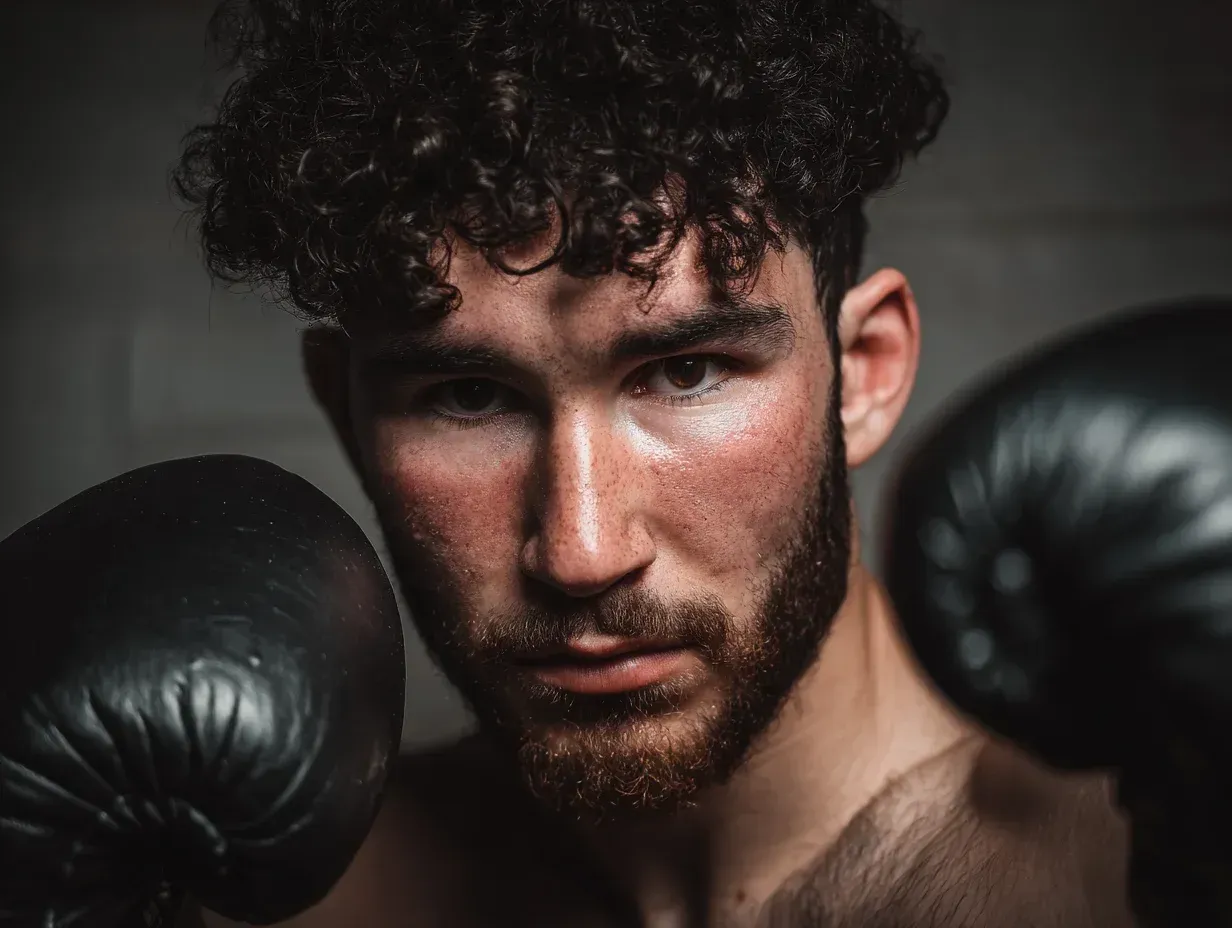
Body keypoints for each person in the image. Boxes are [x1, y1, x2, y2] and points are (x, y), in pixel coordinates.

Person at [169, 0, 1136, 925]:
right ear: (346, 409)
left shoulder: (1139, 875)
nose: (582, 553)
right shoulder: (299, 902)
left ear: (864, 373)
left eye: (685, 371)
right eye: (467, 396)